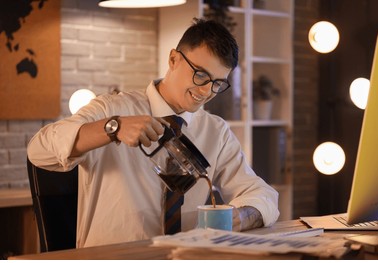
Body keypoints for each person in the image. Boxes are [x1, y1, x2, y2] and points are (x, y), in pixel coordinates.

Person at [27, 18, 279, 248]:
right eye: (201, 74)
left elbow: (263, 194)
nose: (206, 91)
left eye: (217, 83)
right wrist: (112, 128)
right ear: (173, 59)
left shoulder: (216, 131)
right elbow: (39, 150)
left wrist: (242, 216)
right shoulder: (112, 108)